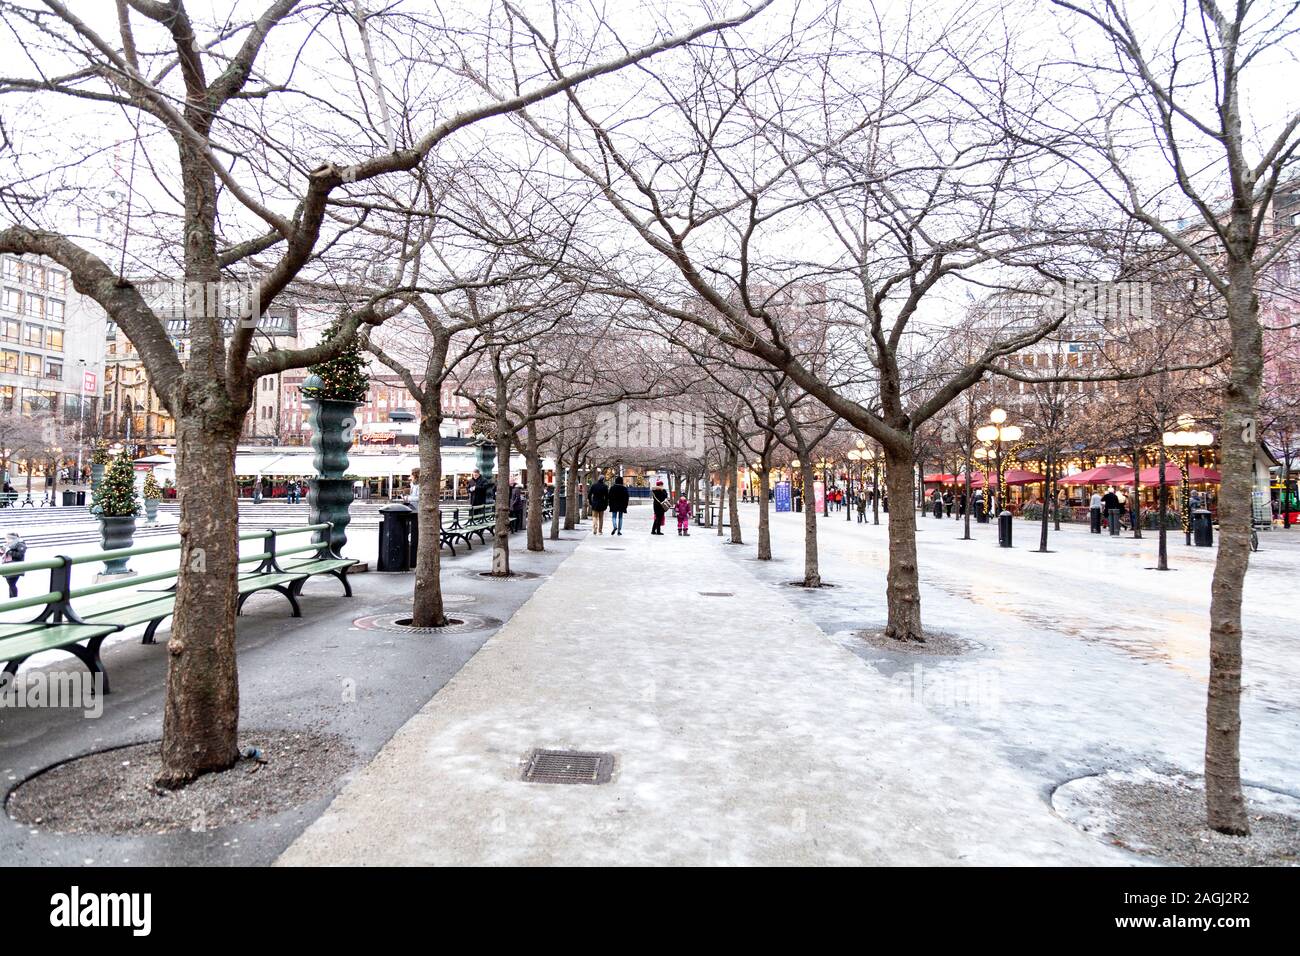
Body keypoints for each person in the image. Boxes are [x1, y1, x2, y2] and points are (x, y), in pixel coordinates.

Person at [3, 532, 26, 598]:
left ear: (12, 539)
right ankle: (12, 599)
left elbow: (20, 555)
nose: (6, 540)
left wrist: (9, 551)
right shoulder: (8, 545)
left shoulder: (20, 544)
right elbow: (3, 554)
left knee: (12, 584)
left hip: (15, 567)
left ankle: (14, 599)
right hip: (8, 567)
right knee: (11, 584)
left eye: (7, 538)